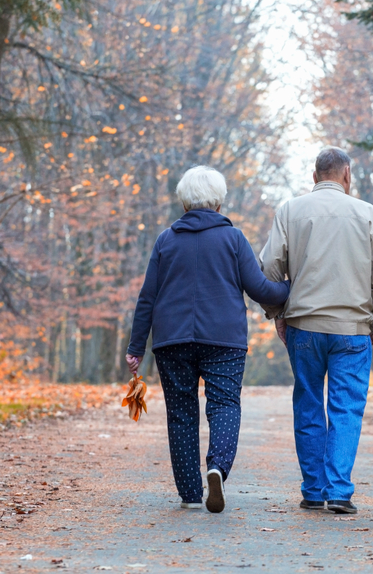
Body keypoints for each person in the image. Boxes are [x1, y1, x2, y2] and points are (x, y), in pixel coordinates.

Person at [125, 166, 289, 513]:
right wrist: (292, 288)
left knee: (181, 414)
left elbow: (147, 297)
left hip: (172, 341)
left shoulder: (166, 239)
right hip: (224, 339)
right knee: (224, 404)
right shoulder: (233, 238)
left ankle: (188, 492)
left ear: (184, 201)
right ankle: (217, 467)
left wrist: (135, 347)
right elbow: (259, 289)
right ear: (218, 200)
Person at [259, 146, 373, 515]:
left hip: (304, 327)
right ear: (347, 175)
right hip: (353, 331)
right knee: (345, 409)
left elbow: (269, 268)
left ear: (315, 176)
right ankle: (338, 491)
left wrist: (277, 312)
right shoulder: (368, 214)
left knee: (308, 403)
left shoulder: (290, 210)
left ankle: (313, 489)